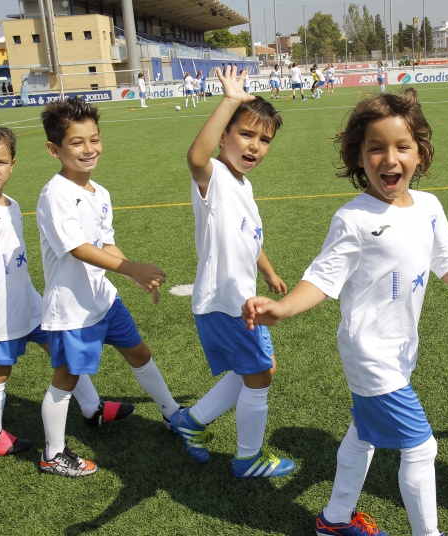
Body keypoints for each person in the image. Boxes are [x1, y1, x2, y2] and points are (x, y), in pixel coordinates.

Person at [242, 88, 448, 536]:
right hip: (370, 352)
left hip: (402, 348)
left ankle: (333, 521)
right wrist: (282, 309)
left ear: (420, 153)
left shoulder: (428, 206)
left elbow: (447, 262)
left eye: (402, 147)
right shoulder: (354, 218)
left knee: (363, 435)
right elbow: (322, 279)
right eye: (376, 148)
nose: (390, 158)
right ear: (359, 157)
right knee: (421, 449)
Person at [0, 121, 132, 459]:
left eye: (0, 162)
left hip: (29, 302)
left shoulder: (10, 203)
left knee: (62, 354)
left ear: (12, 164)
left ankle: (92, 408)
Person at [36, 98, 181, 477]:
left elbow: (104, 243)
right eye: (77, 142)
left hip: (103, 300)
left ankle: (173, 414)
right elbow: (78, 248)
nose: (89, 149)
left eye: (95, 139)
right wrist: (129, 266)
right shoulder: (56, 194)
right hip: (73, 308)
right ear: (54, 150)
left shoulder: (100, 193)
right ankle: (53, 453)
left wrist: (131, 273)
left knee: (140, 353)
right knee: (66, 378)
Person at [168, 65, 295, 479]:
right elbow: (195, 156)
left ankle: (192, 421)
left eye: (264, 140)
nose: (255, 146)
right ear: (224, 136)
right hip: (225, 302)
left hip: (243, 299)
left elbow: (248, 237)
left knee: (261, 369)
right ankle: (248, 458)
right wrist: (229, 101)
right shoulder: (215, 177)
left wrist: (270, 271)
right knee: (259, 374)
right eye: (246, 134)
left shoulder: (242, 183)